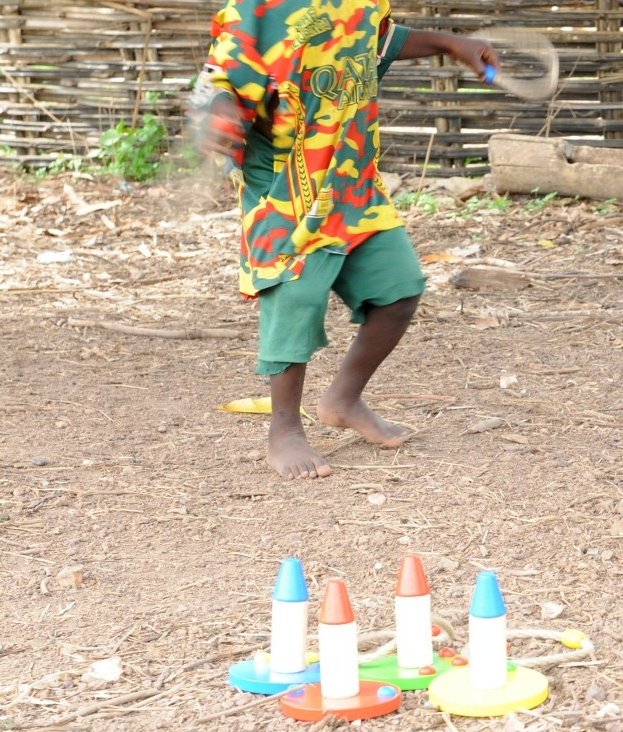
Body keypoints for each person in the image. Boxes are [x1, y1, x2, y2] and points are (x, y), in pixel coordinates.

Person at [190, 0, 498, 479]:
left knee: (400, 288)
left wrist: (449, 44)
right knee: (295, 299)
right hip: (286, 188)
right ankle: (285, 430)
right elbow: (222, 78)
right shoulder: (256, 10)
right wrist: (221, 114)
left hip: (351, 177)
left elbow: (377, 38)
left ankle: (343, 398)